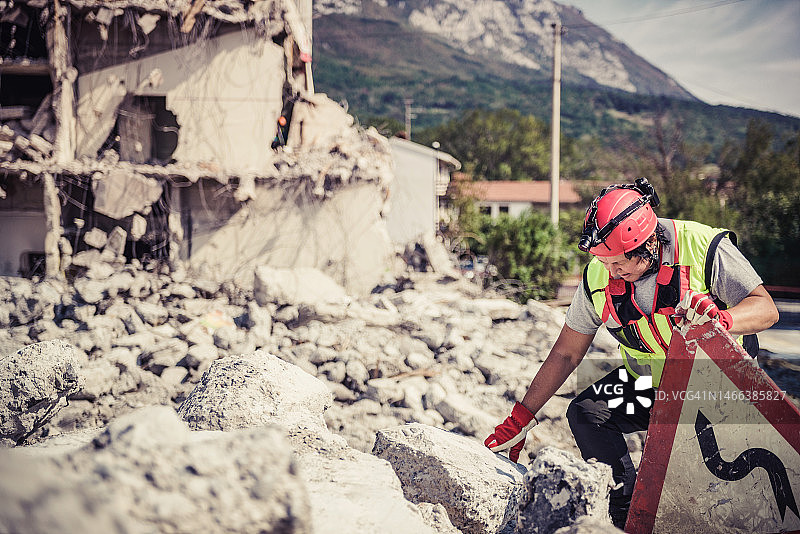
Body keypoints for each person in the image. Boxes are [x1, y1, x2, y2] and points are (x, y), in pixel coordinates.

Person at [484, 178, 779, 529]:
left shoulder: (703, 246)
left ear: (650, 243)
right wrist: (520, 418)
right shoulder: (598, 275)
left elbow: (766, 309)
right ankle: (627, 513)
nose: (612, 271)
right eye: (604, 261)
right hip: (653, 390)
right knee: (586, 413)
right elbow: (566, 353)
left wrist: (723, 319)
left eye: (620, 262)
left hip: (720, 392)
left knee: (711, 486)